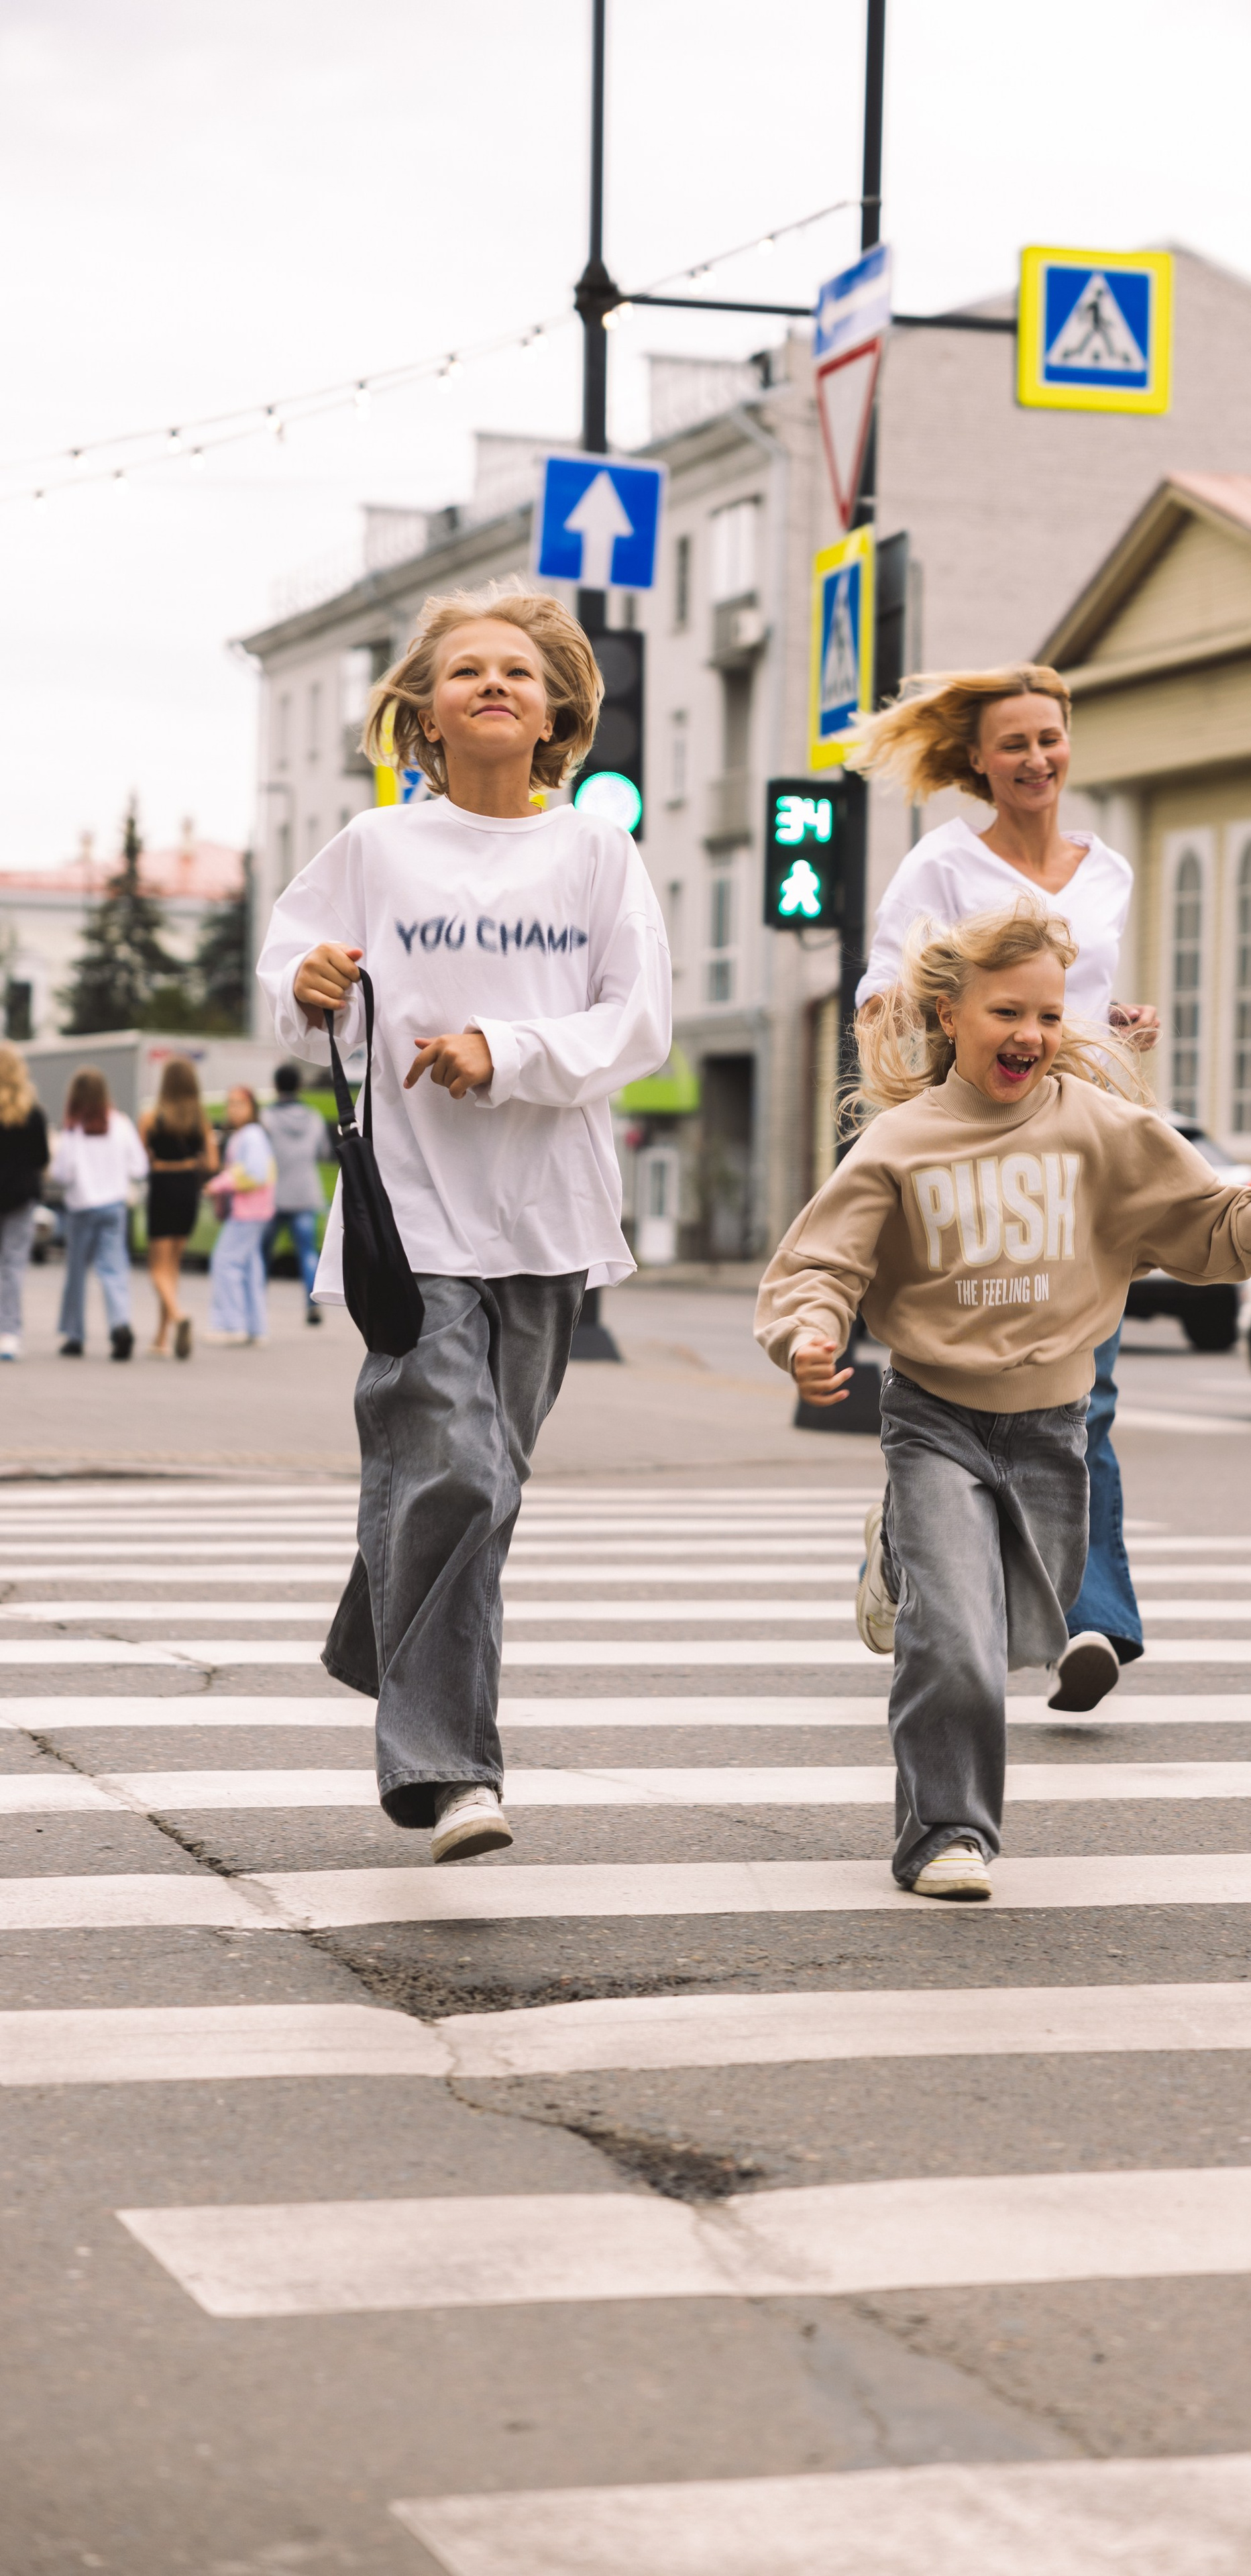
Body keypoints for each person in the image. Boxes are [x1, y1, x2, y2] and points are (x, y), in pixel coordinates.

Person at [755, 900, 1251, 1900]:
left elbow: (1197, 1218)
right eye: (1006, 1013)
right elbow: (820, 1261)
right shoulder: (901, 1142)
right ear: (948, 1017)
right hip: (935, 1417)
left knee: (1029, 1618)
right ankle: (945, 1833)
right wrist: (808, 1334)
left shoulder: (1100, 1129)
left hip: (1052, 1428)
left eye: (1049, 1017)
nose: (1030, 1036)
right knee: (958, 1640)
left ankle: (893, 1550)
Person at [256, 578, 671, 1866]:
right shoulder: (377, 849)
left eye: (518, 672)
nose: (492, 684)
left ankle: (374, 1630)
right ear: (422, 718)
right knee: (458, 1469)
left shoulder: (599, 853)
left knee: (474, 1487)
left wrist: (510, 1048)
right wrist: (310, 982)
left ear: (555, 714)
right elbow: (293, 978)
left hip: (548, 1217)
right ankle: (450, 1771)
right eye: (463, 672)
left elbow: (635, 1025)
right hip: (413, 1214)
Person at [849, 663, 1160, 1715]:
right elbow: (882, 986)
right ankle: (906, 1550)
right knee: (951, 1385)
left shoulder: (1107, 868)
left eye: (1051, 739)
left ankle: (1091, 1621)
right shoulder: (941, 866)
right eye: (1015, 743)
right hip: (974, 1150)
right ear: (976, 761)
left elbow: (1086, 991)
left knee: (1087, 1391)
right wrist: (911, 1010)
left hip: (1080, 1141)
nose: (1037, 758)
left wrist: (1116, 1027)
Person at [50, 1068, 146, 1360]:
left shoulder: (73, 1130)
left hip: (81, 1209)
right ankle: (120, 1324)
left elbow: (62, 1174)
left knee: (76, 1274)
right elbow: (139, 1168)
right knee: (114, 1269)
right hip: (114, 1206)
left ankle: (75, 1336)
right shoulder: (121, 1124)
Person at [140, 1056, 215, 1359]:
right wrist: (191, 1162)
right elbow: (212, 1162)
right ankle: (161, 1337)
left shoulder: (151, 1117)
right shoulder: (200, 1119)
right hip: (187, 1190)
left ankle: (179, 1316)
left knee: (157, 1269)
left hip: (161, 1188)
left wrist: (159, 1161)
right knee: (172, 1266)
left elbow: (139, 1159)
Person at [203, 1086, 276, 1346]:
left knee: (226, 1263)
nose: (232, 1109)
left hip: (247, 1211)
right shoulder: (253, 1134)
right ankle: (256, 1327)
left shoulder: (250, 1136)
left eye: (239, 1103)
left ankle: (231, 1324)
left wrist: (218, 1184)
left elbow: (253, 1173)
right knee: (249, 1268)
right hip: (256, 1210)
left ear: (251, 1107)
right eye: (230, 1103)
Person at [262, 1061, 331, 1327]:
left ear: (275, 1085)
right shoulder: (313, 1117)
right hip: (305, 1192)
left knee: (262, 1252)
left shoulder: (267, 1117)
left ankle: (255, 1304)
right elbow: (323, 1151)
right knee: (307, 1253)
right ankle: (312, 1305)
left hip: (274, 1195)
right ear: (299, 1086)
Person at [0, 1042, 50, 1360]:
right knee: (13, 1265)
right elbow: (41, 1157)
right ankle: (9, 1333)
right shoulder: (33, 1112)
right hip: (19, 1197)